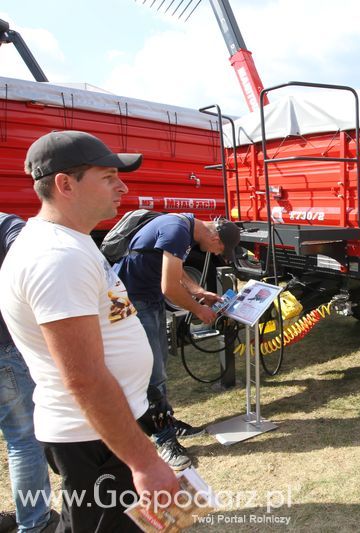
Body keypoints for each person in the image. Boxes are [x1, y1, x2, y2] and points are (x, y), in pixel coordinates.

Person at [0, 131, 179, 531]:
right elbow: (83, 377)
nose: (123, 186)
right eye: (108, 176)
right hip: (91, 439)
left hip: (102, 432)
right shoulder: (56, 258)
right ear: (65, 184)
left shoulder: (69, 242)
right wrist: (146, 462)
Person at [113, 213, 240, 470]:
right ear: (215, 237)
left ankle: (165, 422)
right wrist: (198, 310)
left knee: (158, 367)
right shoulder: (177, 229)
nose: (217, 254)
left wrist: (198, 292)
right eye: (220, 249)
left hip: (146, 299)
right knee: (151, 372)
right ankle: (165, 440)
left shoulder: (184, 227)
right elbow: (169, 287)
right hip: (135, 302)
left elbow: (174, 269)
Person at [0, 214, 58, 533]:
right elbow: (29, 257)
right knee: (23, 439)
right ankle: (36, 522)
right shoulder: (7, 225)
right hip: (3, 351)